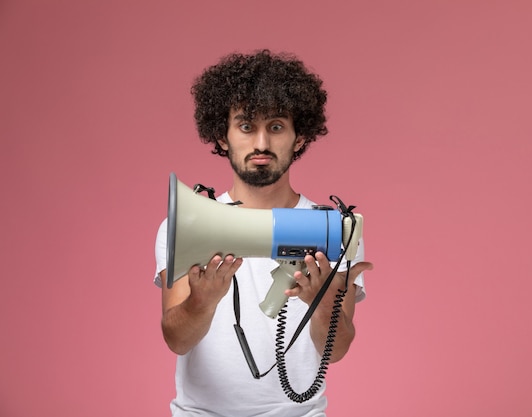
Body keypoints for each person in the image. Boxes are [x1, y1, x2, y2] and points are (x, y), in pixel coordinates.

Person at [154, 49, 373, 417]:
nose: (260, 144)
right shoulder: (184, 226)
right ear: (222, 137)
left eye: (275, 126)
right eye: (245, 126)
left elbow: (336, 350)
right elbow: (177, 339)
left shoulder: (332, 230)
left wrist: (321, 302)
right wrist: (202, 301)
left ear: (299, 137)